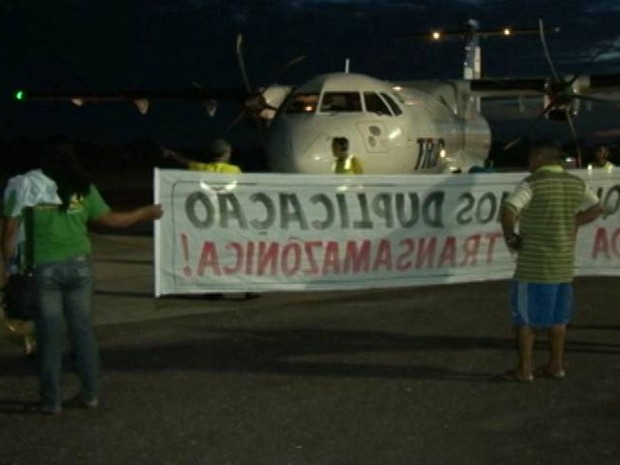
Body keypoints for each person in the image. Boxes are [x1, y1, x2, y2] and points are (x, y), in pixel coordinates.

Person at [2, 136, 164, 415]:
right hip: (80, 268)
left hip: (43, 269)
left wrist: (8, 270)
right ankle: (90, 394)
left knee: (49, 336)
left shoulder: (24, 185)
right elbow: (113, 220)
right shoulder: (81, 187)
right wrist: (145, 213)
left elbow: (8, 235)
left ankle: (51, 401)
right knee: (83, 332)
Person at [499, 139, 603, 382]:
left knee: (525, 321)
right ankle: (556, 366)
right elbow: (598, 208)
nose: (528, 163)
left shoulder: (532, 184)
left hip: (533, 267)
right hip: (563, 265)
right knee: (559, 321)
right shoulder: (576, 182)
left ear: (538, 158)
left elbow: (508, 209)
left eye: (530, 158)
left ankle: (524, 370)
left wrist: (510, 236)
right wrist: (571, 222)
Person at [162, 138, 241, 173]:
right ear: (226, 154)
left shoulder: (202, 168)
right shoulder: (235, 170)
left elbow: (185, 162)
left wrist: (172, 154)